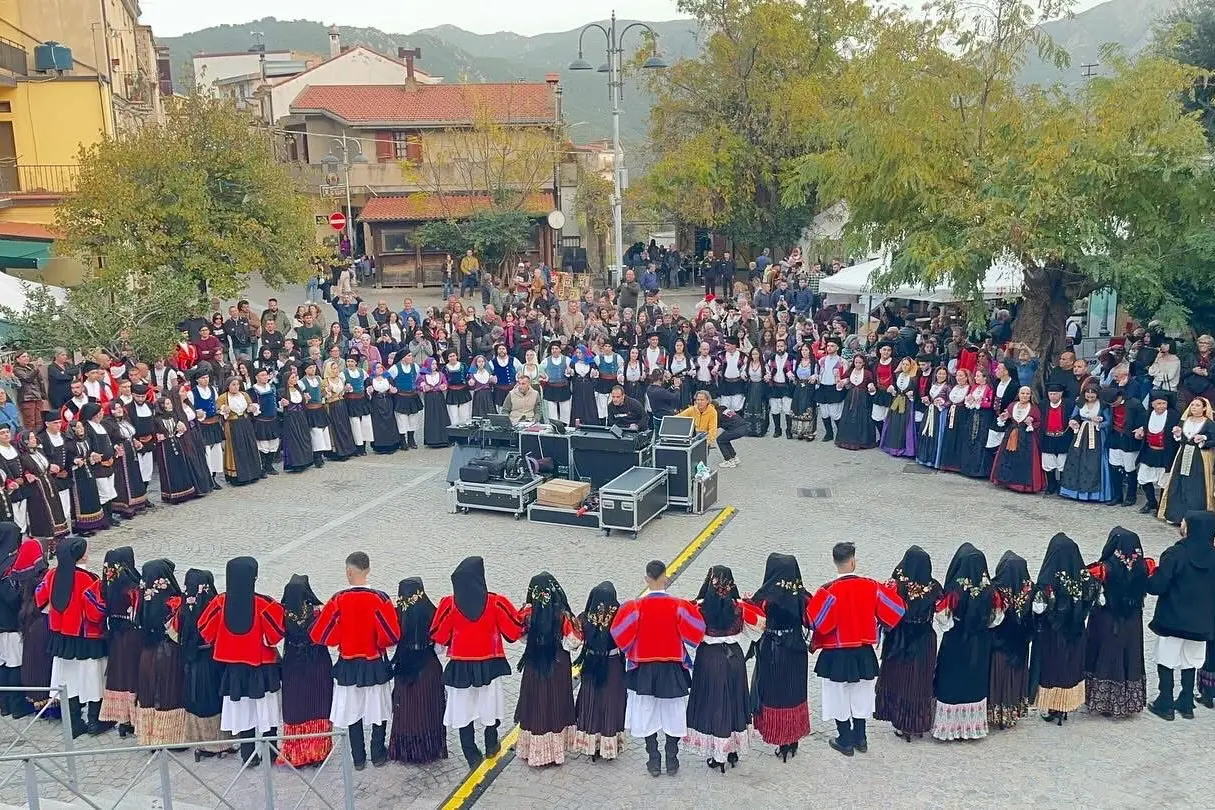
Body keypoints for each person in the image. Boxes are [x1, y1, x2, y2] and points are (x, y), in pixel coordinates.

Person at [809, 542, 905, 756]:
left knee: (837, 696)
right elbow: (896, 610)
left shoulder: (827, 591)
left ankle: (845, 739)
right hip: (863, 652)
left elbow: (815, 622)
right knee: (862, 694)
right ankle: (861, 738)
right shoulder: (871, 586)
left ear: (835, 562)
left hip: (836, 653)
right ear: (853, 561)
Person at [610, 559, 705, 777]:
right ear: (665, 578)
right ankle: (672, 758)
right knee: (674, 712)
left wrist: (633, 646)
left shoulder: (634, 607)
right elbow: (697, 631)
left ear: (646, 579)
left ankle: (653, 759)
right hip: (672, 667)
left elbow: (619, 633)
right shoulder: (679, 606)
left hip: (644, 669)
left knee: (646, 712)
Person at [429, 556, 524, 770]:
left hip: (460, 666)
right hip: (489, 664)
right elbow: (514, 631)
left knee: (463, 709)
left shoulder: (449, 604)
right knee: (490, 705)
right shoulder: (496, 602)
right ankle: (491, 744)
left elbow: (439, 634)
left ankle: (471, 753)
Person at [312, 552, 400, 770]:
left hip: (348, 664)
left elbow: (321, 634)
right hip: (374, 662)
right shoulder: (380, 599)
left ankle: (358, 757)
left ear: (348, 572)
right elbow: (391, 635)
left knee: (352, 711)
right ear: (368, 570)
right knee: (378, 709)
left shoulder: (338, 599)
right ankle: (378, 754)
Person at [197, 556, 286, 766]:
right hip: (262, 667)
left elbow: (204, 630)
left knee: (244, 712)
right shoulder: (264, 604)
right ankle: (271, 753)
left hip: (234, 669)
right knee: (267, 711)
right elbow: (275, 636)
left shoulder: (219, 603)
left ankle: (249, 755)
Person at [684, 565, 763, 772]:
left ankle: (718, 755)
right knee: (735, 700)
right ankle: (733, 750)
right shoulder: (739, 607)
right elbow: (759, 627)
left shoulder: (699, 608)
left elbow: (687, 633)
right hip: (734, 657)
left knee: (714, 702)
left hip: (709, 658)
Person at [35, 537, 108, 738]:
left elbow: (39, 599)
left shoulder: (51, 575)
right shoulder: (89, 579)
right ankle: (95, 721)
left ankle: (75, 723)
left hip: (61, 639)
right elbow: (96, 612)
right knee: (93, 679)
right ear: (80, 556)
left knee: (69, 680)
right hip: (86, 639)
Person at [1146, 511, 1215, 721]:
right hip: (1201, 621)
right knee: (1190, 661)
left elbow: (1158, 585)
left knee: (1166, 659)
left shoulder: (1176, 554)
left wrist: (1148, 578)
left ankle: (1165, 701)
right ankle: (1186, 702)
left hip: (1173, 618)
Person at [931, 543, 1002, 741]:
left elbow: (943, 618)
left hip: (956, 642)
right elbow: (997, 618)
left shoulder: (955, 591)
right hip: (980, 643)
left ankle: (949, 727)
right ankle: (972, 727)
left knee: (952, 681)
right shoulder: (991, 591)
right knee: (974, 682)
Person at [747, 554, 812, 761]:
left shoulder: (764, 598)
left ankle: (780, 738)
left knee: (774, 693)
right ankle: (793, 738)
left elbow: (753, 619)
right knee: (794, 692)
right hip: (796, 651)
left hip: (772, 651)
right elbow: (813, 620)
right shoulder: (802, 597)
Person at [1032, 533, 1102, 725]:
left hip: (1053, 634)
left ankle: (1053, 705)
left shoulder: (1048, 578)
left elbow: (1040, 607)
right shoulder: (1084, 577)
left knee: (1053, 667)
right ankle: (1064, 706)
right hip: (1076, 631)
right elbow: (1091, 598)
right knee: (1069, 666)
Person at [874, 546, 942, 742]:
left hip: (899, 639)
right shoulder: (934, 588)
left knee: (899, 678)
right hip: (924, 639)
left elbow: (883, 610)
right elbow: (943, 616)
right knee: (919, 681)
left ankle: (900, 722)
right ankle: (917, 724)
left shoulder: (895, 585)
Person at [1084, 527, 1151, 718]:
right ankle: (1126, 702)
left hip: (1107, 621)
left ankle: (1105, 702)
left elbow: (1088, 588)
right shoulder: (1144, 566)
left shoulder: (1104, 569)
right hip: (1132, 622)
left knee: (1106, 657)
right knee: (1129, 656)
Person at [514, 572, 579, 767]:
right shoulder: (562, 614)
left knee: (535, 702)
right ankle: (556, 751)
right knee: (556, 701)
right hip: (557, 663)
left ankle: (533, 750)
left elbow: (519, 636)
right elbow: (574, 642)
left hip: (534, 662)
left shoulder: (527, 613)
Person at [277, 574, 334, 768]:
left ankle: (297, 754)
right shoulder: (318, 613)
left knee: (296, 708)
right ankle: (318, 752)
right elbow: (328, 636)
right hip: (317, 664)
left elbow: (273, 636)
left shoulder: (282, 614)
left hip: (293, 665)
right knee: (317, 704)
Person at [388, 577, 447, 764]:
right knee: (428, 708)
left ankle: (407, 750)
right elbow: (440, 647)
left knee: (407, 710)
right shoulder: (432, 613)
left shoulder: (395, 615)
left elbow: (390, 644)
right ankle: (429, 748)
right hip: (428, 667)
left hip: (403, 668)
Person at [179, 569, 232, 760]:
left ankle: (202, 743)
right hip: (211, 661)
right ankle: (219, 743)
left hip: (192, 662)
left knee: (197, 699)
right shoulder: (212, 605)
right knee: (213, 700)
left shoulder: (184, 607)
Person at [571, 581, 626, 762]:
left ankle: (591, 743)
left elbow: (574, 642)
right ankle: (609, 745)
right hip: (613, 664)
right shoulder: (620, 618)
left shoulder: (585, 618)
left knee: (591, 701)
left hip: (591, 664)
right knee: (611, 702)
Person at [135, 559, 187, 746]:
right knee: (169, 693)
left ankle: (150, 736)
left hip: (147, 654)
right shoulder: (174, 602)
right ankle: (171, 737)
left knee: (149, 693)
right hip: (169, 653)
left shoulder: (141, 600)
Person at [987, 551, 1034, 730]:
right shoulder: (1030, 590)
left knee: (998, 678)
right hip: (1020, 644)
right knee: (1014, 678)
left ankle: (996, 713)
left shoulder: (995, 590)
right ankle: (1011, 712)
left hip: (998, 643)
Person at [97, 547, 140, 737]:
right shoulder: (131, 587)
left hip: (115, 637)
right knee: (132, 678)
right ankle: (133, 719)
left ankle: (123, 720)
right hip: (132, 638)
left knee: (119, 676)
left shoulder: (107, 586)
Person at [1157, 396, 1215, 523]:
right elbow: (1183, 439)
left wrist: (1204, 438)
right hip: (1183, 454)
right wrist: (1178, 435)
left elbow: (1213, 439)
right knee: (1179, 482)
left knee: (1196, 485)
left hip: (1200, 457)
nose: (1194, 407)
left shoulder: (1208, 423)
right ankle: (1176, 515)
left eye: (1197, 405)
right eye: (1192, 405)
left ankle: (1195, 518)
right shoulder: (1185, 420)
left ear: (1204, 408)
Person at [1058, 386, 1111, 502]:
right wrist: (1073, 422)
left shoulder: (1102, 405)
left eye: (1093, 396)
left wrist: (1100, 422)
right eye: (1088, 395)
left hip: (1096, 435)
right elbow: (1073, 416)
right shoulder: (1080, 403)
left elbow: (1109, 421)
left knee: (1093, 461)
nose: (1090, 398)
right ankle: (1073, 492)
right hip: (1081, 434)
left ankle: (1094, 493)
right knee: (1076, 460)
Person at [990, 386, 1044, 493]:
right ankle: (1007, 481)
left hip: (1027, 437)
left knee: (1024, 459)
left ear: (1031, 395)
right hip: (1011, 434)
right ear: (1019, 394)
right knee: (1008, 456)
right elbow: (1008, 415)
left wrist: (1031, 423)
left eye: (1027, 394)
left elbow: (1039, 422)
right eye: (1022, 393)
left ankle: (1022, 484)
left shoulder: (1034, 408)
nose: (1025, 396)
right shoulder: (1012, 405)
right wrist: (1004, 417)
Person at [1136, 390, 1180, 515]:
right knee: (1143, 478)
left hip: (1165, 453)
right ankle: (1151, 502)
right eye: (1158, 404)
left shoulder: (1173, 415)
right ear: (1152, 404)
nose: (1161, 406)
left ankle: (1161, 506)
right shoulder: (1148, 414)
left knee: (1163, 481)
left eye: (1164, 403)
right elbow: (1145, 428)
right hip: (1149, 451)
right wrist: (1141, 432)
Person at [217, 377, 262, 486]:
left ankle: (253, 473)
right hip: (232, 425)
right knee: (236, 448)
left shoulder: (244, 395)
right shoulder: (223, 397)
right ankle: (236, 476)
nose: (236, 387)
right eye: (233, 385)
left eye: (237, 384)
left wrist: (252, 408)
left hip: (245, 423)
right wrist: (223, 410)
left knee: (249, 446)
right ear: (228, 386)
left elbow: (250, 405)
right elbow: (217, 410)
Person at [878, 357, 918, 457]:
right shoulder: (897, 375)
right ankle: (892, 447)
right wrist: (892, 389)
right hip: (896, 401)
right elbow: (894, 386)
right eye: (903, 364)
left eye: (907, 365)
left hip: (907, 403)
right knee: (894, 423)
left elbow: (916, 391)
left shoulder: (913, 378)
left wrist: (912, 394)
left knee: (904, 424)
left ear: (911, 366)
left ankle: (904, 449)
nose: (905, 366)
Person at [418, 359, 450, 448]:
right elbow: (418, 385)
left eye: (435, 364)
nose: (434, 366)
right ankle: (432, 440)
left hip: (439, 397)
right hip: (429, 398)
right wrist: (423, 387)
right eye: (432, 364)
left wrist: (444, 386)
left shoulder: (441, 375)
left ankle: (444, 439)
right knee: (431, 417)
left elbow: (445, 383)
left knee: (442, 416)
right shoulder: (423, 376)